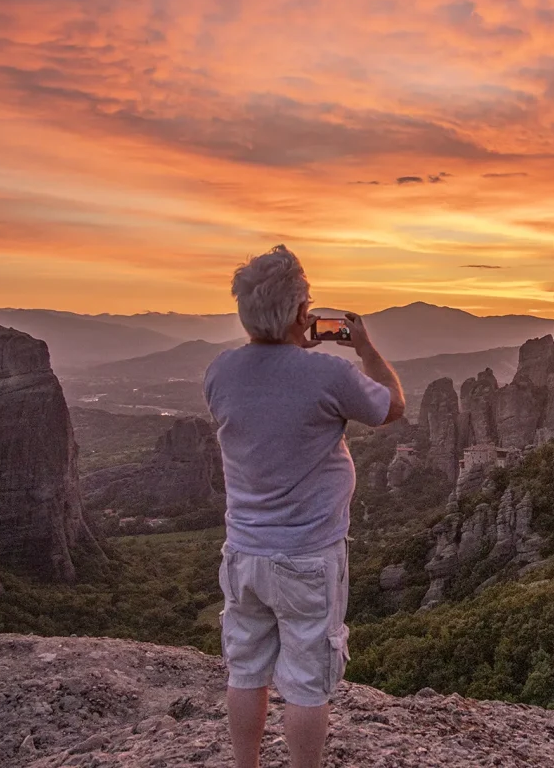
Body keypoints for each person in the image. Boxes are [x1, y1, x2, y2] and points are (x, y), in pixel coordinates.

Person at [203, 244, 405, 768]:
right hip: (308, 557)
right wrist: (363, 348)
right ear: (302, 313)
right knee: (307, 685)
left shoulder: (220, 371)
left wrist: (286, 342)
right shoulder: (325, 375)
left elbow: (267, 396)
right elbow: (392, 406)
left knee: (246, 673)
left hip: (244, 553)